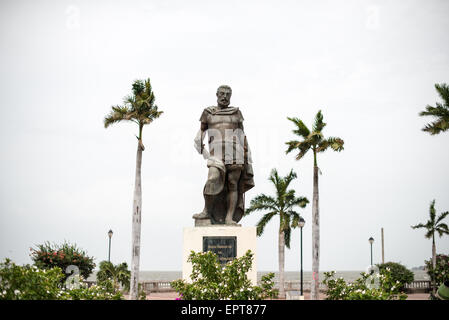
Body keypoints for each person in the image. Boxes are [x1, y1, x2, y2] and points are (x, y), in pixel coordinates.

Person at [193, 85, 254, 225]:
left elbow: (242, 134)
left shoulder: (236, 113)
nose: (225, 96)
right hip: (216, 154)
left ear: (231, 96)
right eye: (222, 93)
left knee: (232, 184)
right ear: (217, 94)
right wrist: (198, 140)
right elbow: (202, 130)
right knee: (212, 178)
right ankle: (207, 211)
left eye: (228, 94)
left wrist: (248, 158)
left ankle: (229, 218)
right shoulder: (208, 113)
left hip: (235, 151)